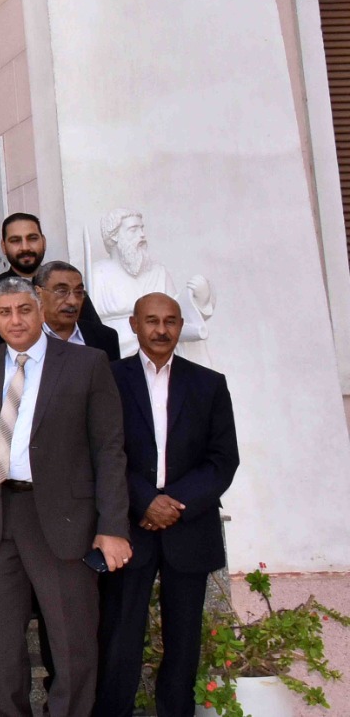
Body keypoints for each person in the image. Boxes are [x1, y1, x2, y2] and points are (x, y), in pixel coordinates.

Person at [0, 278, 131, 717]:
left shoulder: (87, 363)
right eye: (5, 312)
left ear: (41, 311)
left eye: (24, 309)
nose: (16, 320)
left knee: (72, 641)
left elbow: (109, 449)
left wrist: (112, 526)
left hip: (63, 520)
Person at [95, 294, 239, 717]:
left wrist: (175, 505)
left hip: (188, 526)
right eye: (152, 321)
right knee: (119, 636)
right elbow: (99, 452)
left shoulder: (209, 384)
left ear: (180, 326)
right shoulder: (108, 379)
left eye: (171, 321)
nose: (161, 330)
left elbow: (222, 459)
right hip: (128, 525)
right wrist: (145, 500)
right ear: (134, 325)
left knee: (184, 641)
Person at [90, 210, 215, 359]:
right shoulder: (97, 274)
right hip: (117, 349)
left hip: (161, 344)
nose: (142, 235)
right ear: (114, 235)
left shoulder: (158, 272)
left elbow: (178, 313)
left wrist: (200, 299)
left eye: (142, 229)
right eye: (134, 230)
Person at [0, 214, 102, 324]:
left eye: (32, 238)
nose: (25, 247)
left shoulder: (71, 291)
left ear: (44, 241)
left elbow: (94, 336)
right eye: (15, 240)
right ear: (4, 246)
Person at [36, 261, 120, 359]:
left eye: (79, 292)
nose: (73, 301)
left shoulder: (105, 337)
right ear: (38, 294)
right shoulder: (26, 337)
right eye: (62, 291)